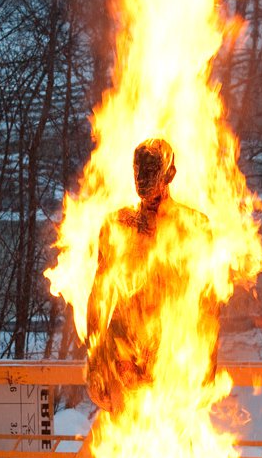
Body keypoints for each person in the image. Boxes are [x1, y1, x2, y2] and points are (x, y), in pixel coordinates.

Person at [85, 137, 218, 413]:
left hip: (173, 354)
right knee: (126, 447)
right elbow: (99, 295)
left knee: (172, 445)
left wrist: (208, 365)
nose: (141, 178)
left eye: (150, 170)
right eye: (137, 170)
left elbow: (207, 303)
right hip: (124, 357)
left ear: (170, 174)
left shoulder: (194, 227)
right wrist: (96, 362)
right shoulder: (116, 225)